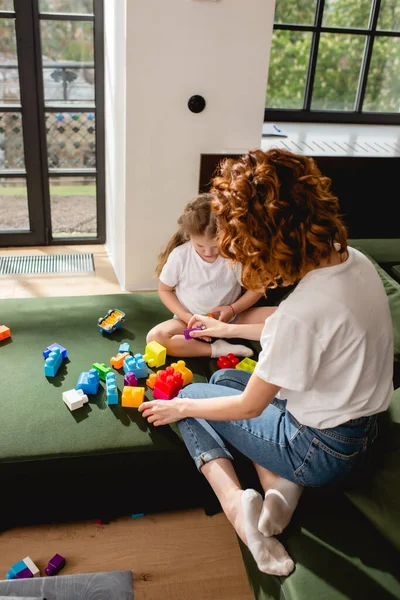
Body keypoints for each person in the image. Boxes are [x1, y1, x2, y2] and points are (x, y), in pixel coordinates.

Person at [139, 149, 394, 576]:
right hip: (364, 429)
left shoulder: (304, 312)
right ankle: (279, 489)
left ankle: (238, 510)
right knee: (223, 374)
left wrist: (178, 406)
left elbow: (249, 407)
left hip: (320, 450)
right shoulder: (354, 261)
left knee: (191, 394)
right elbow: (298, 328)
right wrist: (227, 330)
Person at [147, 193, 274, 358]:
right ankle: (217, 349)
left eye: (216, 246)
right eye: (200, 245)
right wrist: (188, 318)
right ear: (188, 235)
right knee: (155, 338)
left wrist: (232, 309)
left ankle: (231, 333)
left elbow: (256, 289)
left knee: (283, 316)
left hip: (231, 319)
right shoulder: (180, 256)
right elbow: (165, 290)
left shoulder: (233, 254)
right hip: (189, 323)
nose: (209, 252)